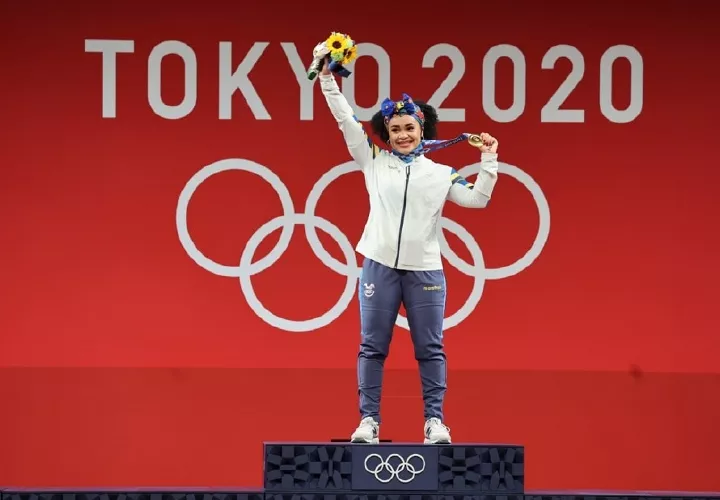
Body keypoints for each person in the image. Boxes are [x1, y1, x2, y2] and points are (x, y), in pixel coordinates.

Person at [319, 58, 499, 444]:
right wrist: (327, 79)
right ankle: (369, 421)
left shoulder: (441, 173)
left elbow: (478, 200)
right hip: (379, 266)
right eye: (395, 129)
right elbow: (345, 119)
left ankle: (435, 422)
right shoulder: (373, 160)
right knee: (372, 347)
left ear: (422, 129)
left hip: (425, 271)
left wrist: (488, 160)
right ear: (387, 132)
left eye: (409, 128)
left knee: (430, 348)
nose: (402, 135)